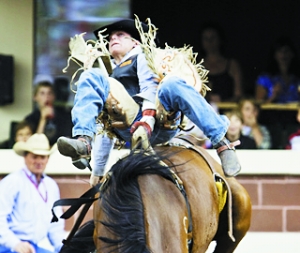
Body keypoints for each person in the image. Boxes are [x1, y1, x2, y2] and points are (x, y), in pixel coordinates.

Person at [57, 18, 241, 179]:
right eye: (111, 37)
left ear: (136, 43)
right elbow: (107, 127)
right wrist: (97, 171)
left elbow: (150, 87)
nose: (113, 38)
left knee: (171, 83)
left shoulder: (142, 56)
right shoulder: (106, 77)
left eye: (120, 35)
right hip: (129, 127)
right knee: (91, 76)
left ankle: (221, 142)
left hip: (160, 120)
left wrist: (146, 123)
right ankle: (84, 143)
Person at [199, 22, 244, 103]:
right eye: (206, 39)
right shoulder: (197, 66)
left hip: (228, 113)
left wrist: (222, 103)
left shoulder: (232, 65)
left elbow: (238, 95)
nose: (210, 42)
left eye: (213, 38)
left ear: (220, 39)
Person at [25, 80, 73, 146]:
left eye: (49, 93)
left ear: (54, 96)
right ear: (35, 97)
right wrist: (43, 119)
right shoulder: (30, 119)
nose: (46, 97)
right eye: (42, 93)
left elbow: (67, 138)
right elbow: (34, 144)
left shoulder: (65, 116)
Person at [255, 36, 300, 104]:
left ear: (292, 54)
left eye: (286, 51)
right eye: (280, 51)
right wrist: (274, 96)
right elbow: (258, 108)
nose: (283, 55)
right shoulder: (264, 79)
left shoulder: (297, 78)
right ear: (274, 55)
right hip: (273, 114)